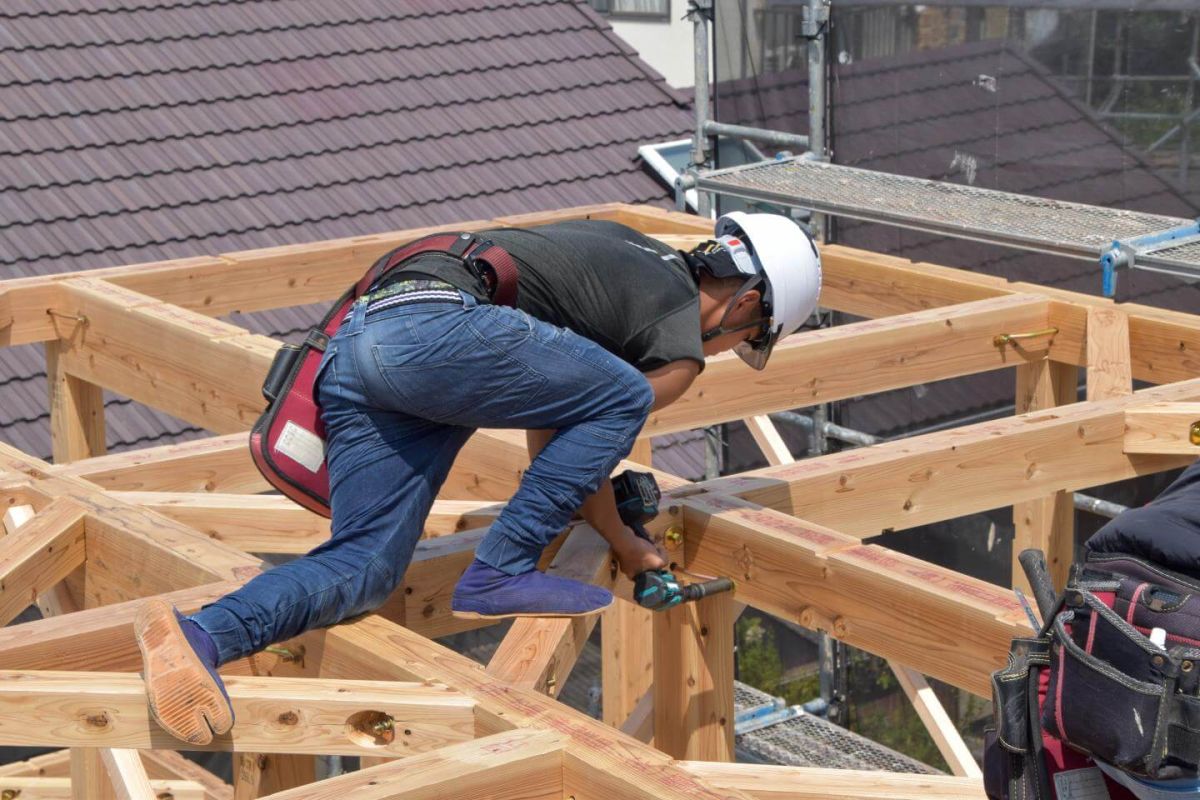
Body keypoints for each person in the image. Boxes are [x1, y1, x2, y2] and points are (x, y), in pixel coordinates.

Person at [133, 212, 822, 745]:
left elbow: (559, 434)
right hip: (431, 332)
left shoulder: (624, 250)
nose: (728, 350)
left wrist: (616, 532)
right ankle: (501, 567)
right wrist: (627, 544)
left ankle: (199, 637)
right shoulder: (677, 337)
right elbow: (605, 415)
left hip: (361, 348)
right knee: (627, 396)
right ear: (748, 302)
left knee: (366, 568)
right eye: (748, 339)